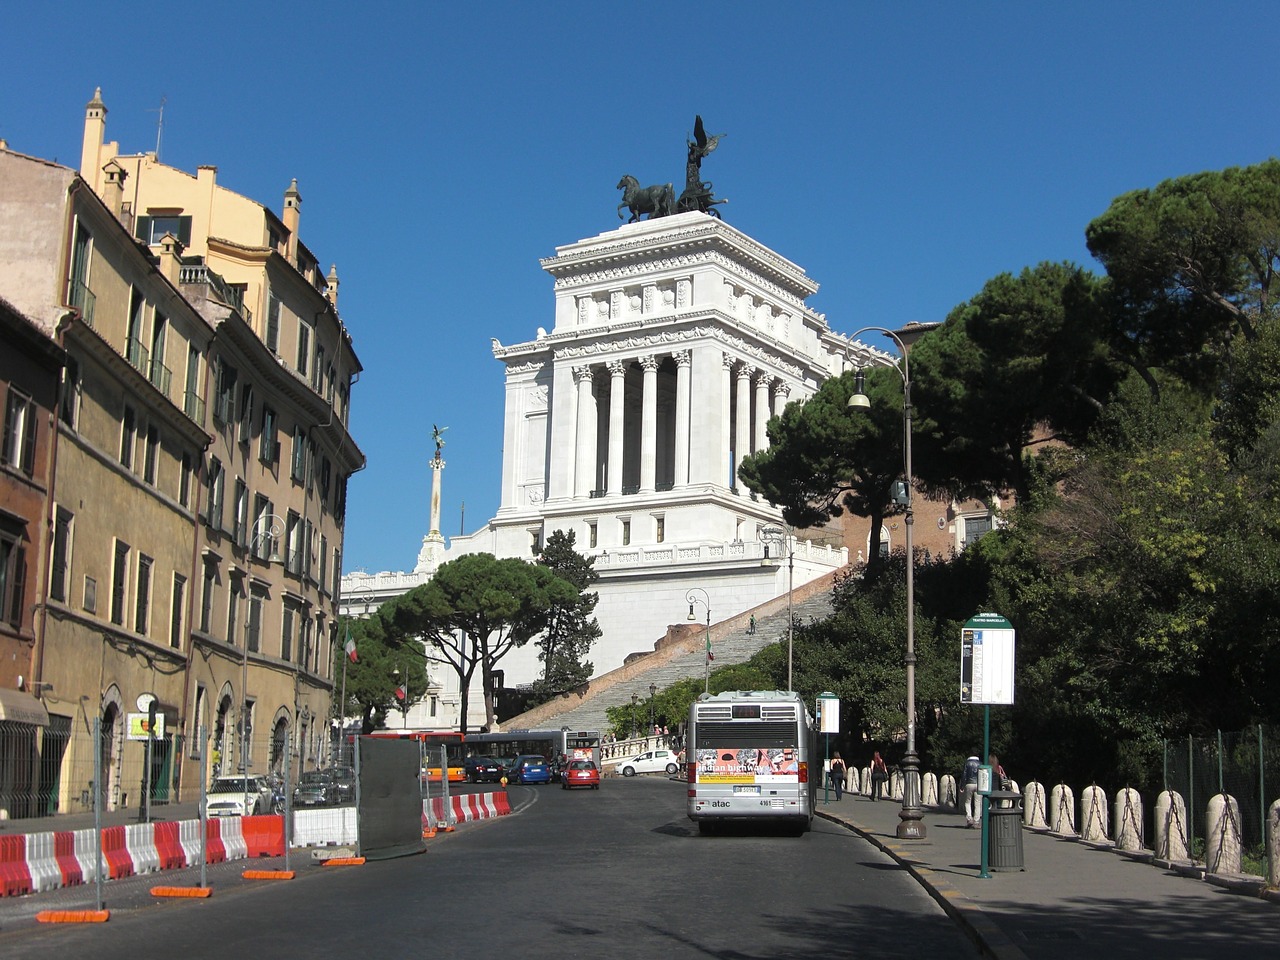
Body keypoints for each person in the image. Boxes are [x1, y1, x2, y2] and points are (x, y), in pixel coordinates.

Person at [962, 754, 981, 826]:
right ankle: (976, 821)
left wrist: (962, 786)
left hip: (969, 783)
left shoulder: (967, 763)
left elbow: (964, 775)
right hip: (978, 784)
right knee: (978, 803)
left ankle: (969, 818)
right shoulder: (980, 763)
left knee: (967, 801)